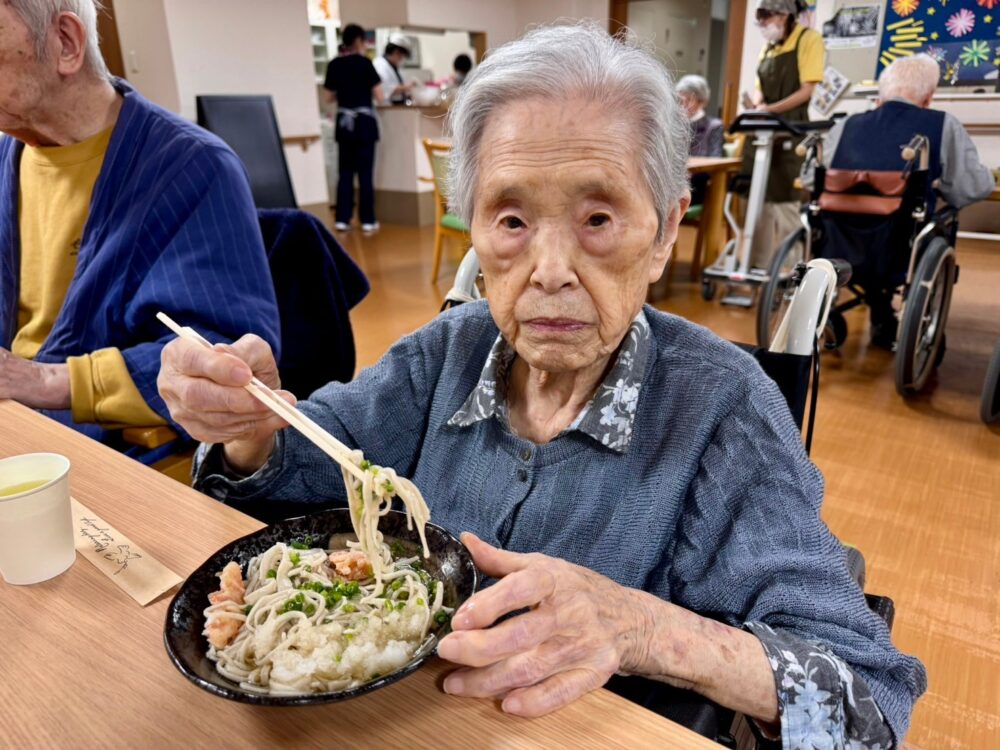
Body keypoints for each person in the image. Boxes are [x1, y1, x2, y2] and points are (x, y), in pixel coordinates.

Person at [158, 24, 925, 748]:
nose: (551, 270)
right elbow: (314, 456)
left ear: (663, 231)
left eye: (598, 218)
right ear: (475, 228)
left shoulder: (725, 411)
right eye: (513, 220)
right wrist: (250, 429)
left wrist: (641, 629)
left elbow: (868, 700)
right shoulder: (447, 352)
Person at [0, 0, 279, 446]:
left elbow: (226, 359)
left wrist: (41, 382)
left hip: (114, 455)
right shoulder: (5, 157)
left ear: (66, 43)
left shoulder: (194, 168)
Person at [806, 54, 994, 347]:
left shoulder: (847, 125)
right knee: (939, 217)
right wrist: (941, 185)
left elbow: (810, 180)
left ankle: (872, 310)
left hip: (838, 242)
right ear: (929, 97)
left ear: (881, 94)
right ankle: (895, 317)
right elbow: (971, 188)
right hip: (900, 248)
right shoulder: (942, 125)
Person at [746, 0, 825, 270]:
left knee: (787, 204)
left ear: (785, 15)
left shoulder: (808, 39)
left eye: (769, 19)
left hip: (791, 130)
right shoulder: (768, 48)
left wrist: (770, 110)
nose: (766, 27)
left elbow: (807, 90)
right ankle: (757, 269)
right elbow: (759, 87)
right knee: (758, 204)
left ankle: (794, 272)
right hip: (763, 131)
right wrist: (758, 107)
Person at [323, 23, 384, 233]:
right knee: (365, 174)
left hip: (344, 125)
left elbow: (329, 97)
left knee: (345, 173)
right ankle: (367, 220)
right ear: (358, 40)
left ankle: (342, 219)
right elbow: (380, 96)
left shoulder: (334, 65)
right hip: (365, 125)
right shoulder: (366, 64)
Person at [676, 74, 723, 206]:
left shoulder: (714, 126)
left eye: (689, 99)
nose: (683, 104)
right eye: (681, 99)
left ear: (702, 102)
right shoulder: (675, 124)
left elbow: (715, 159)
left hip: (695, 184)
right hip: (673, 181)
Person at [373, 33, 414, 105]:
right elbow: (386, 89)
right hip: (385, 109)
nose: (401, 59)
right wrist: (407, 87)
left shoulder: (392, 65)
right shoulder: (380, 65)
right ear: (396, 52)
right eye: (401, 56)